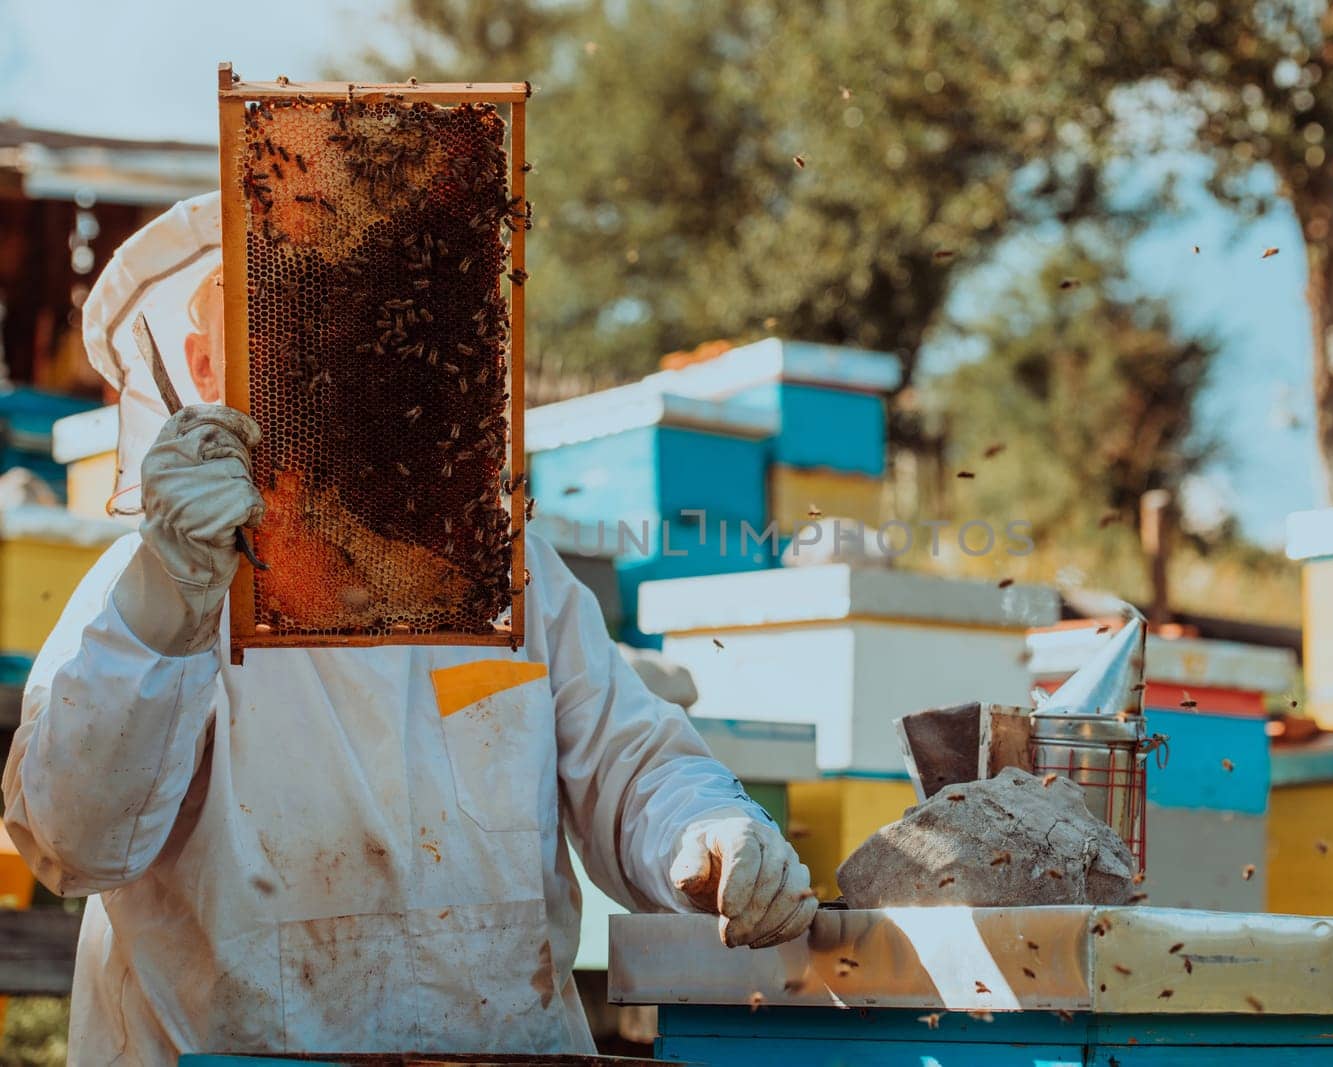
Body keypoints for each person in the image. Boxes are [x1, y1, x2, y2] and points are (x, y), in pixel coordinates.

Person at [1, 193, 816, 1064]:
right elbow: (70, 841)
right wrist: (167, 601)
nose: (335, 362)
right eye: (292, 326)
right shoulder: (147, 594)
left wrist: (707, 831)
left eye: (357, 322)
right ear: (205, 367)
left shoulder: (514, 575)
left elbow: (630, 763)